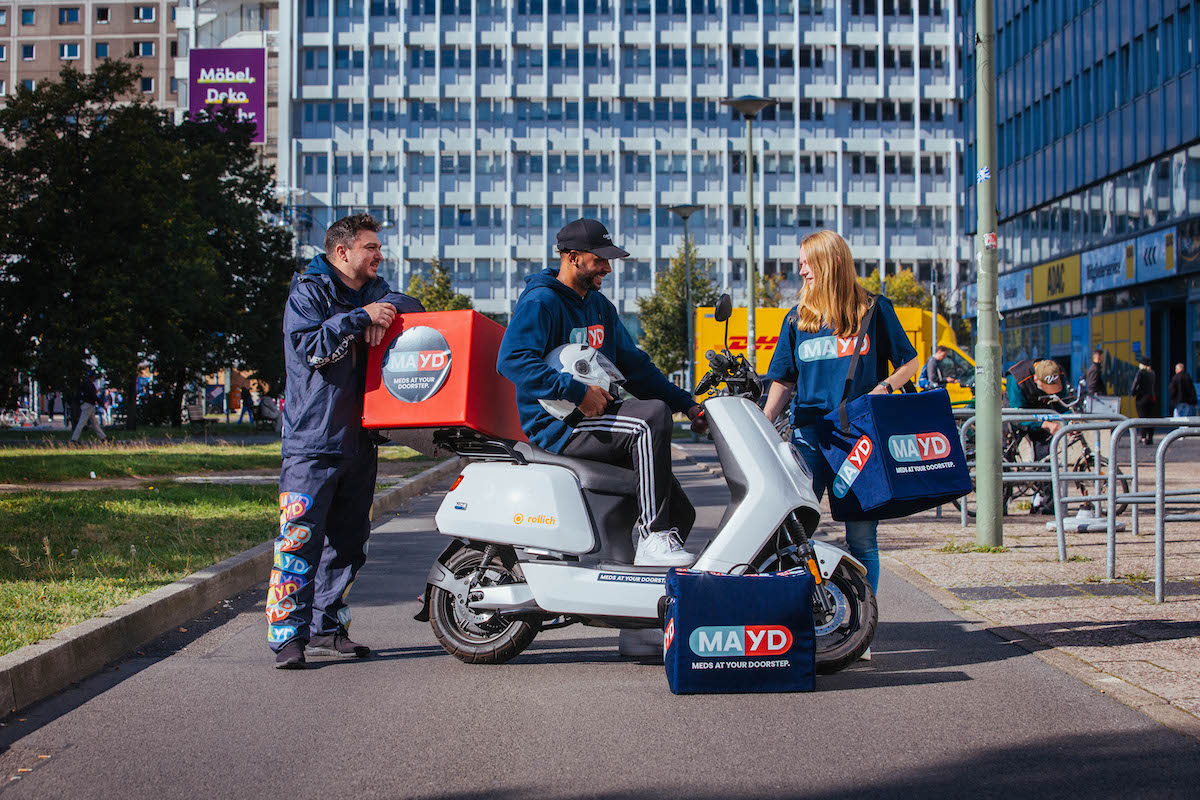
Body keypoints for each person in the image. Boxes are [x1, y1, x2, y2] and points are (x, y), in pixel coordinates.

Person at [497, 218, 706, 567]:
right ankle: (653, 536)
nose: (607, 268)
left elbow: (636, 369)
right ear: (573, 257)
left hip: (598, 415)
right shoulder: (541, 301)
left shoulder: (599, 306)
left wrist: (687, 404)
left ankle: (639, 582)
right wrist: (577, 393)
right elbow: (512, 359)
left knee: (681, 512)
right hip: (560, 426)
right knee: (648, 419)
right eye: (600, 260)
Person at [271, 213, 423, 670]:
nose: (379, 255)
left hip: (360, 441)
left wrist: (384, 311)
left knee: (349, 544)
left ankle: (328, 629)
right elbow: (309, 348)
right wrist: (360, 319)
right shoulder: (309, 291)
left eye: (378, 247)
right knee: (299, 540)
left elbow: (413, 305)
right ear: (342, 252)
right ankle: (287, 638)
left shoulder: (375, 291)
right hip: (311, 443)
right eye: (370, 247)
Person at [762, 230, 920, 601]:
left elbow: (909, 362)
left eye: (807, 263)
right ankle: (801, 615)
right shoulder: (798, 319)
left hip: (858, 440)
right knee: (795, 532)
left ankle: (864, 623)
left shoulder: (874, 310)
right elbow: (783, 379)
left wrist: (885, 388)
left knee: (861, 537)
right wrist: (763, 424)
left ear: (832, 261)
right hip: (809, 437)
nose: (802, 271)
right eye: (800, 264)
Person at [1005, 358, 1067, 514]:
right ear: (1035, 379)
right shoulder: (1017, 378)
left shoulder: (1056, 372)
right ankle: (999, 504)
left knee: (1046, 456)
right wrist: (1043, 424)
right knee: (1004, 456)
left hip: (1043, 412)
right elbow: (1017, 415)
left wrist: (1069, 421)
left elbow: (1063, 403)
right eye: (1047, 388)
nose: (1050, 391)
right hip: (1018, 411)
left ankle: (1047, 504)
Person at [71, 373, 108, 443]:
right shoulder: (89, 385)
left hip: (86, 404)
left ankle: (103, 437)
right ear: (92, 377)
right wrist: (102, 404)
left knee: (94, 423)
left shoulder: (84, 384)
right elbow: (94, 396)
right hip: (88, 405)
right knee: (82, 422)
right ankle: (74, 439)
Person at [1131, 356, 1158, 445]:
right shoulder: (1152, 373)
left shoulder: (1140, 373)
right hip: (1151, 398)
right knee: (1150, 418)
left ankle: (1143, 437)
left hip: (1142, 398)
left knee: (1142, 418)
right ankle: (1150, 437)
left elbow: (1135, 384)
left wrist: (1133, 393)